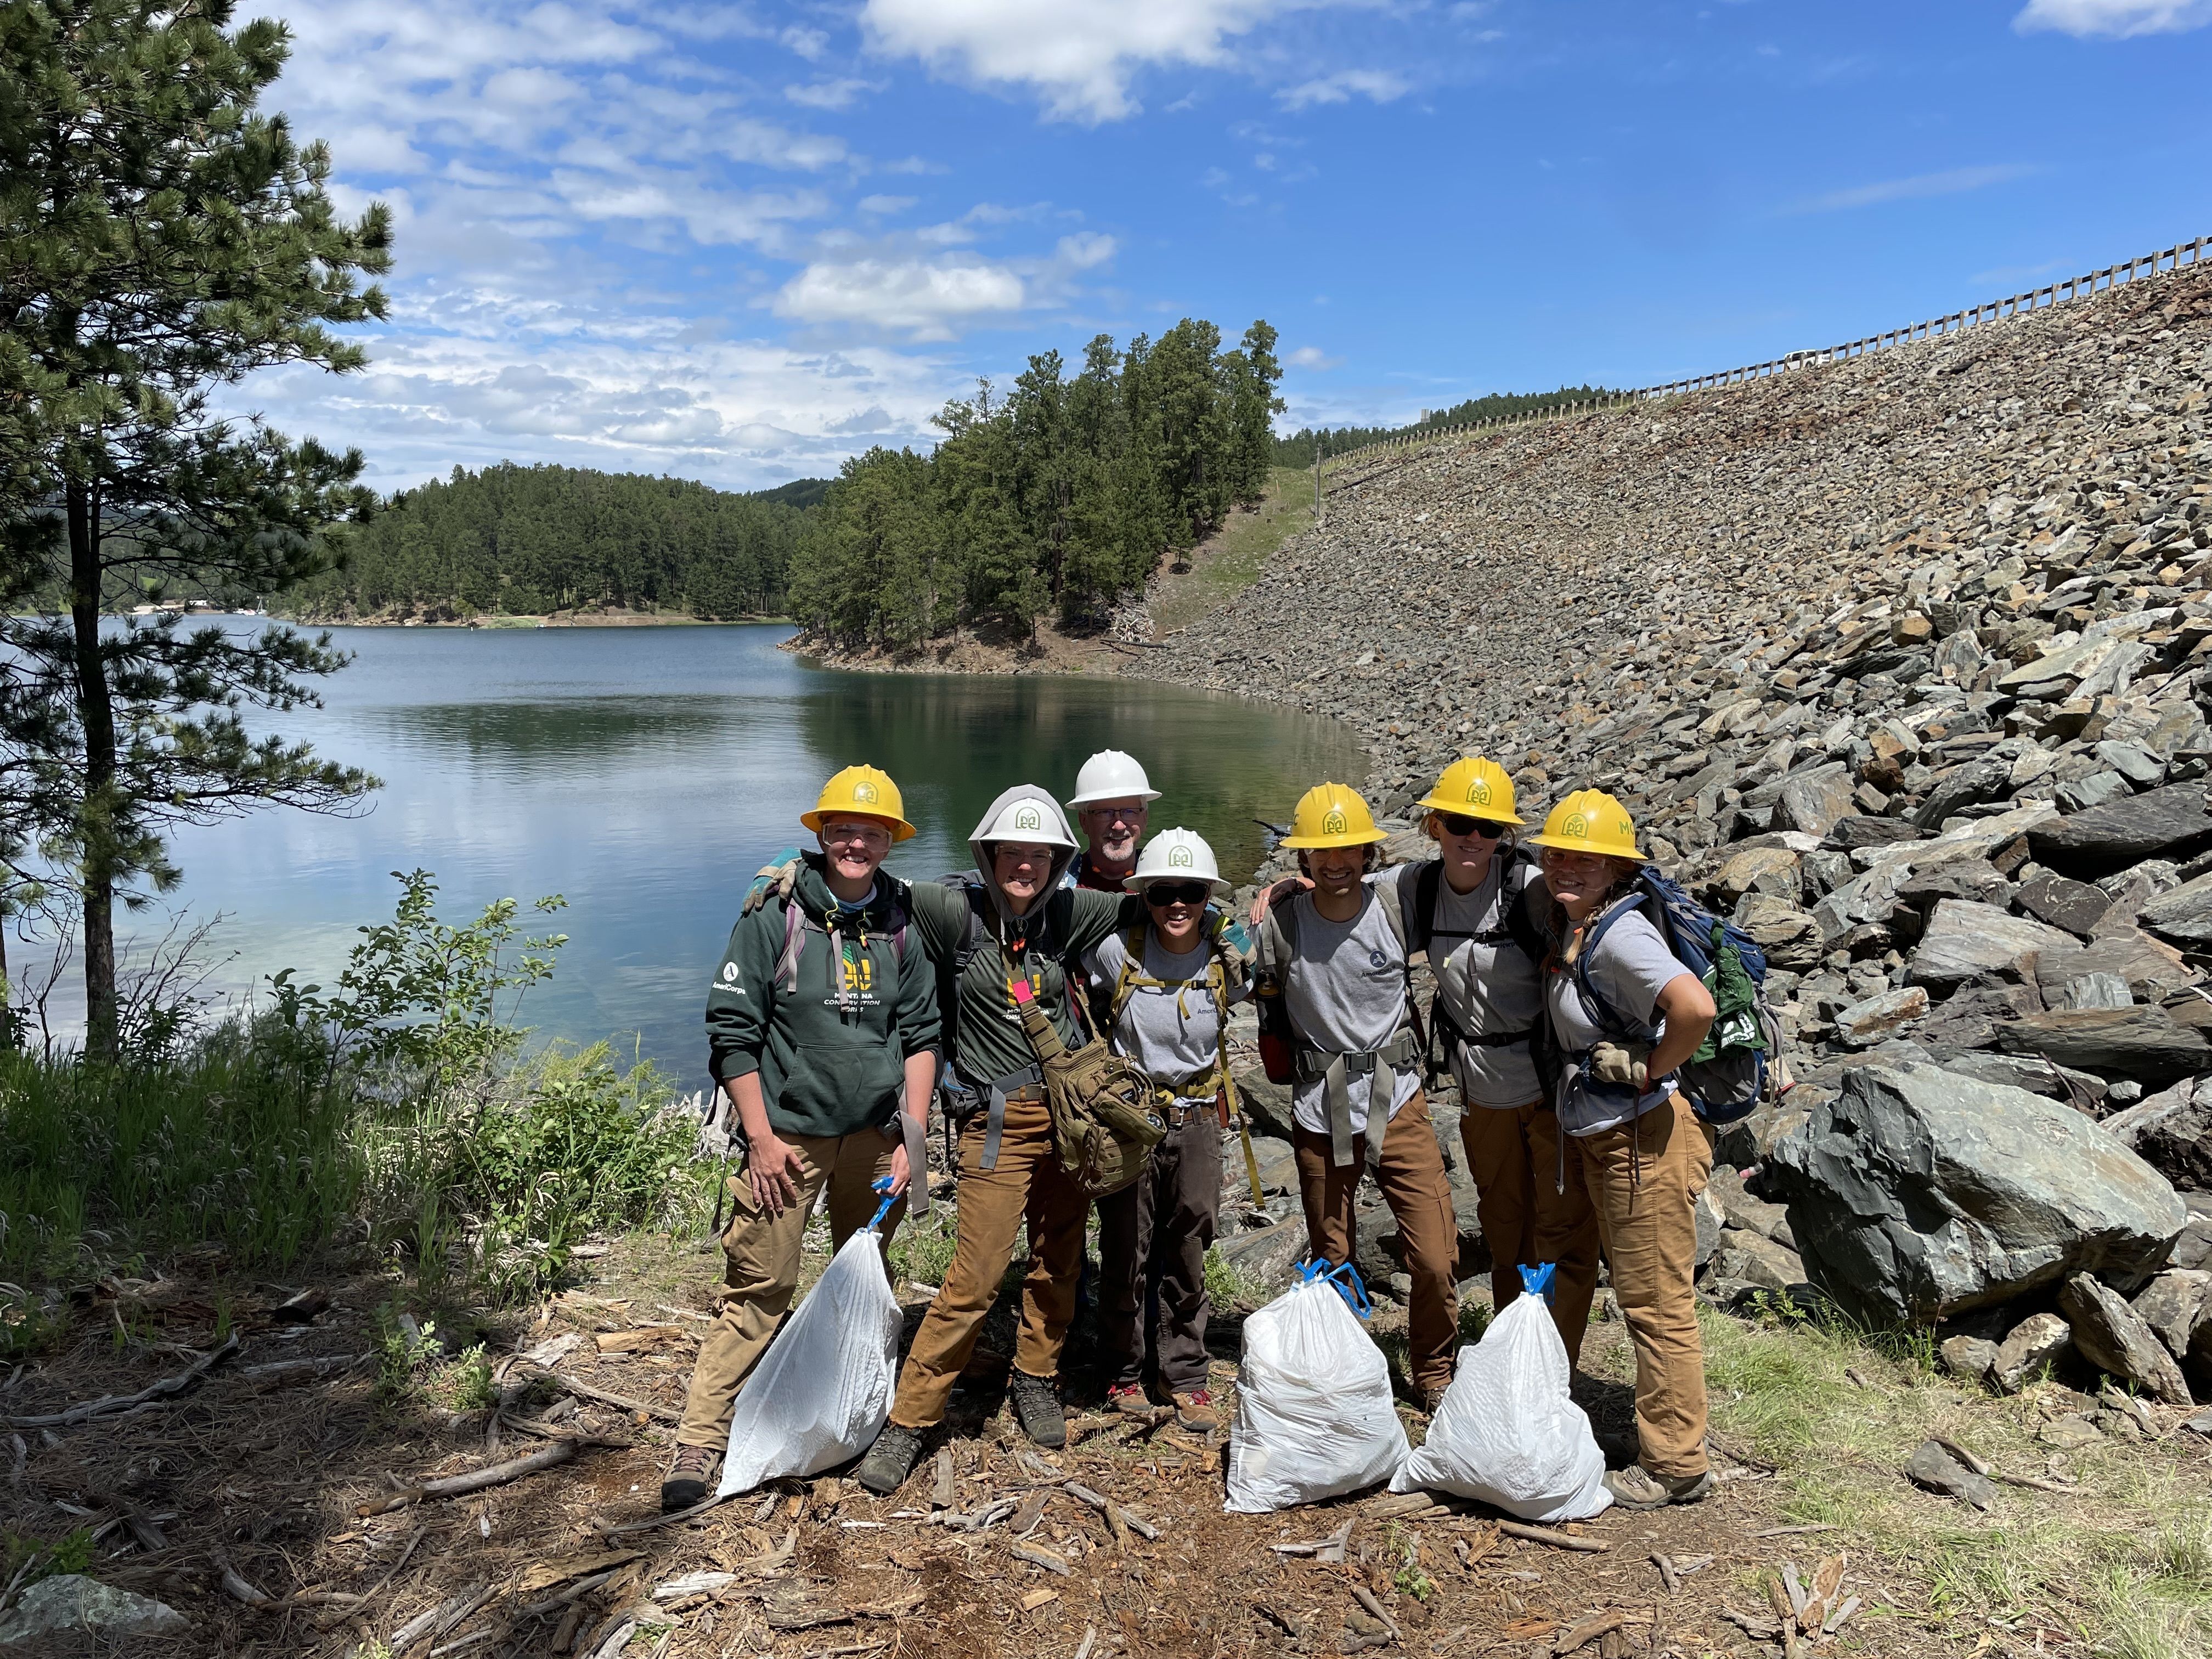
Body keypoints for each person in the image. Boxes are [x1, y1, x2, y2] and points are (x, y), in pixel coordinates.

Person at [854, 786, 1142, 1494]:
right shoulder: (956, 912)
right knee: (974, 1278)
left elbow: (1158, 899)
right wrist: (791, 876)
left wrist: (1278, 892)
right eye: (1012, 852)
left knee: (1059, 1259)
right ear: (987, 856)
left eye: (1039, 854)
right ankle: (911, 1419)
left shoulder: (1070, 914)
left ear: (1056, 860)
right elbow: (868, 883)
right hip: (994, 1125)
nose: (1025, 866)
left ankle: (1037, 1375)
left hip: (1070, 1120)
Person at [665, 765, 939, 1511]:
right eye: (842, 829)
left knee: (861, 1281)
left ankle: (846, 1411)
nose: (856, 842)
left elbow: (921, 1034)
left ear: (889, 840)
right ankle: (701, 1434)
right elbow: (732, 1033)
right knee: (760, 1286)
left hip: (875, 1138)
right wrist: (758, 1137)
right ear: (822, 834)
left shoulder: (903, 919)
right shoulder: (774, 915)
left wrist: (911, 1141)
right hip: (788, 1141)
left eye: (871, 831)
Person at [1532, 788, 1718, 1510]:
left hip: (1641, 1140)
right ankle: (1553, 1402)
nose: (1566, 866)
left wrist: (1652, 1068)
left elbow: (1694, 1008)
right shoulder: (1579, 923)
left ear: (1615, 868)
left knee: (1655, 1300)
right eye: (1556, 854)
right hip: (1600, 1136)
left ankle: (1675, 1464)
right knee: (1596, 1275)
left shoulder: (1622, 937)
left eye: (1584, 858)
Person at [1251, 782, 1461, 1412]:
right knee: (1331, 1251)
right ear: (1303, 859)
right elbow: (1223, 968)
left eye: (1347, 850)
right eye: (1320, 852)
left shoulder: (1397, 902)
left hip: (1398, 1098)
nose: (1335, 863)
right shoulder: (1282, 923)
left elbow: (1467, 871)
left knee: (1434, 1253)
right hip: (1320, 1105)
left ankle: (1435, 1370)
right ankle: (1343, 1367)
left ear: (1369, 852)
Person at [1384, 758, 1601, 1343]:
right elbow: (1341, 893)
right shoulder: (1417, 887)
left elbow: (1593, 916)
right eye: (1459, 824)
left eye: (1489, 829)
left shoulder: (1529, 889)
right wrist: (1291, 882)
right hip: (1483, 1092)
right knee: (1504, 1224)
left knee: (1558, 1228)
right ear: (1435, 828)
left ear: (1505, 836)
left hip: (1549, 1088)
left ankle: (1555, 1357)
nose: (1473, 839)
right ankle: (1512, 1343)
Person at [1082, 828, 1248, 1432]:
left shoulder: (1227, 956)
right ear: (1143, 897)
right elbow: (1044, 935)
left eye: (1192, 892)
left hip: (1201, 1117)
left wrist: (1283, 886)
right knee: (1126, 1248)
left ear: (1208, 898)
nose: (1177, 904)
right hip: (1133, 1121)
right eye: (1163, 893)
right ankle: (1122, 1371)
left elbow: (1284, 945)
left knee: (1189, 1247)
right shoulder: (1113, 950)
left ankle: (1184, 1374)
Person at [1063, 749, 1159, 891]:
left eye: (1129, 812)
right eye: (1104, 813)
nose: (1118, 826)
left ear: (1145, 818)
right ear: (1084, 822)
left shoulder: (1168, 883)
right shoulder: (1058, 887)